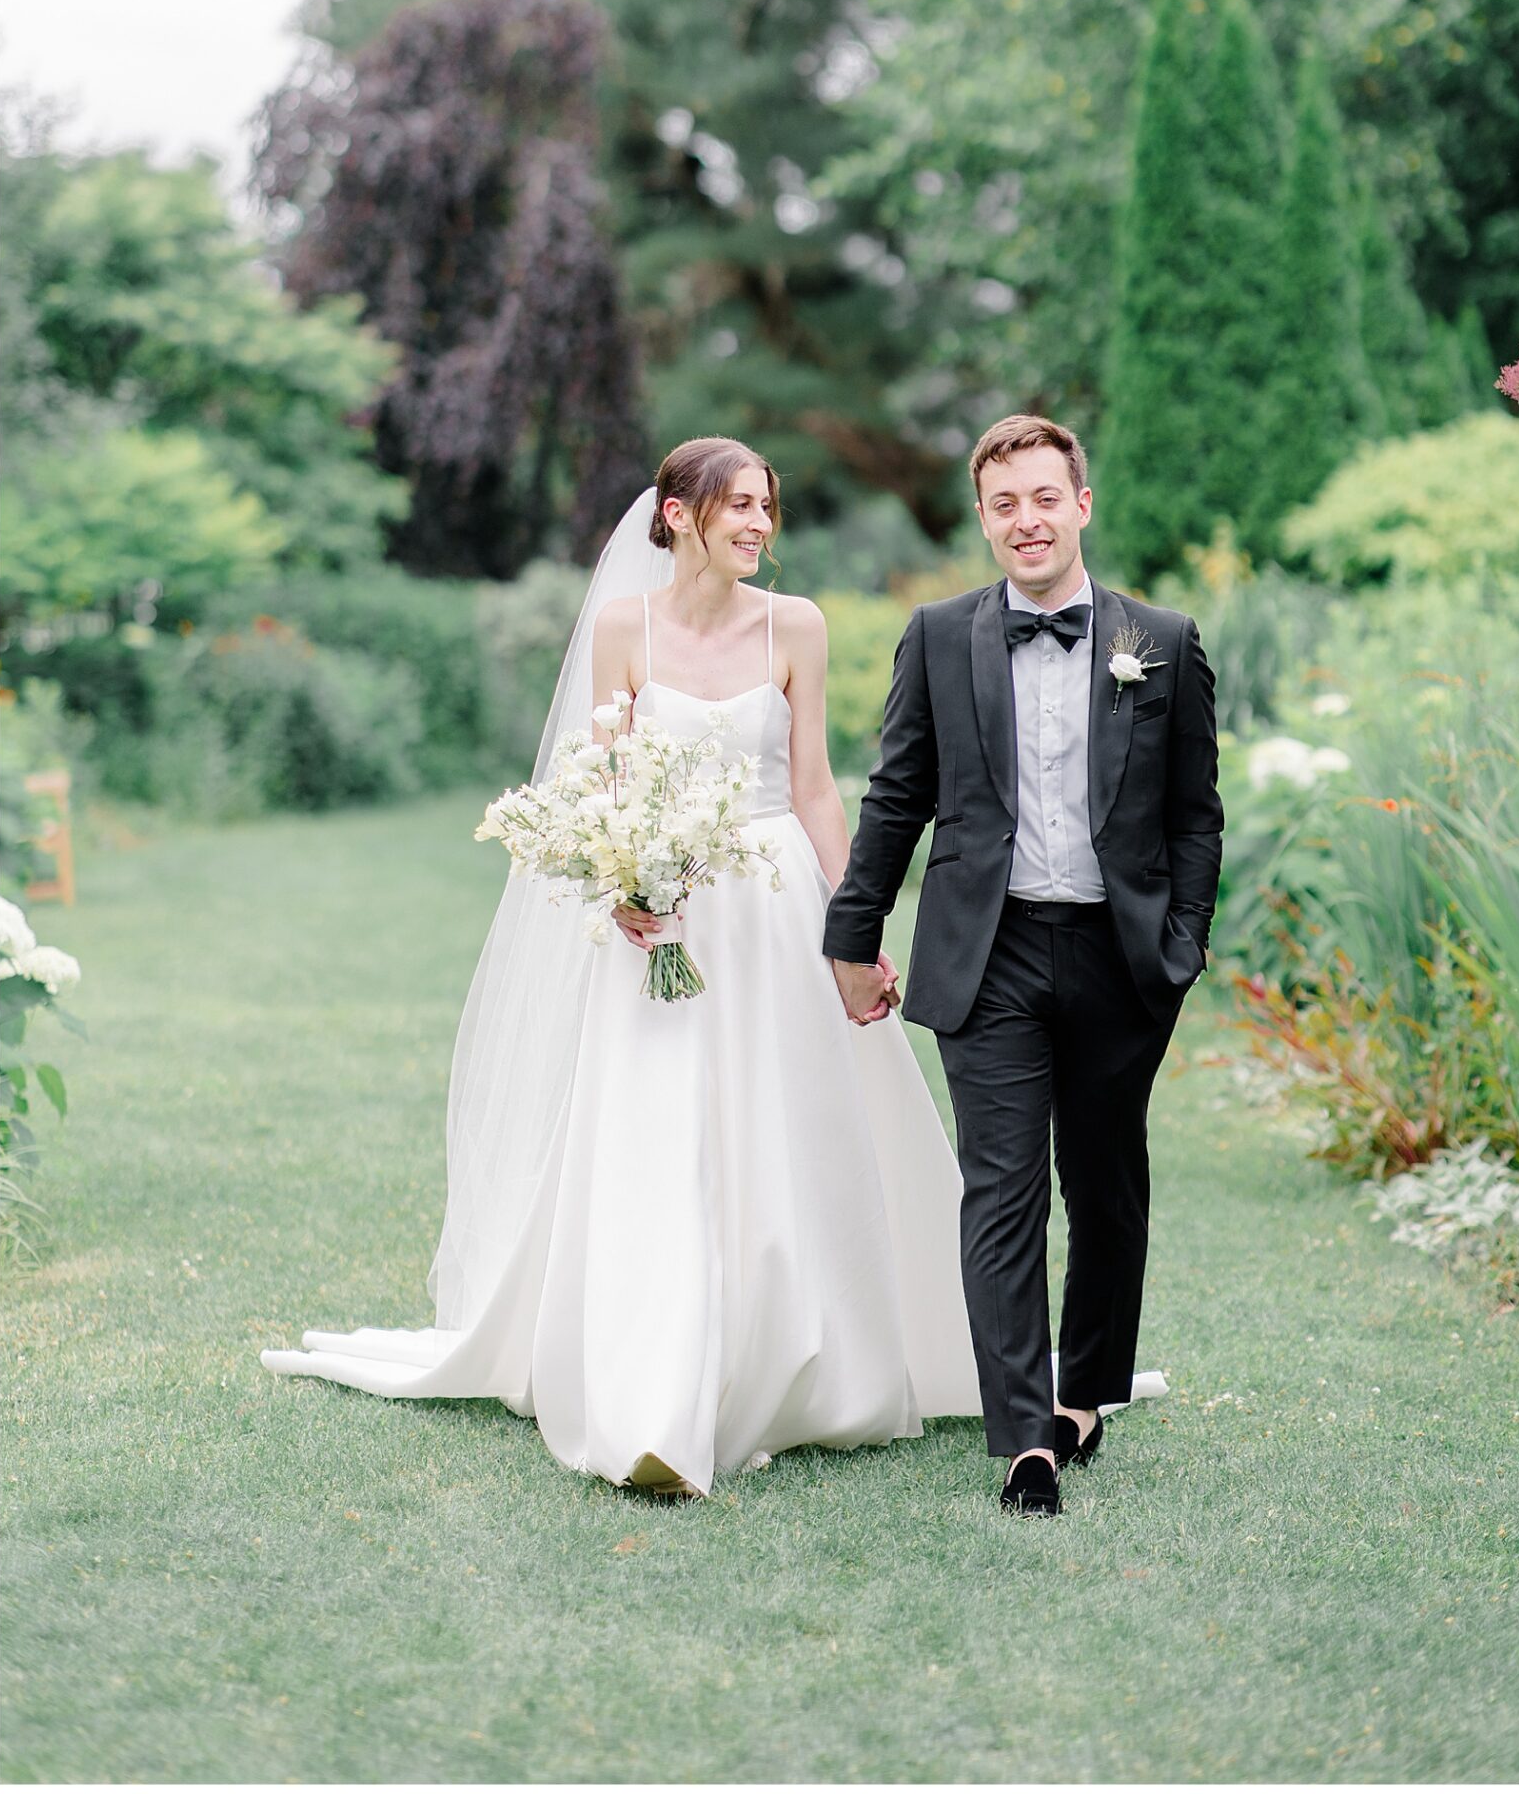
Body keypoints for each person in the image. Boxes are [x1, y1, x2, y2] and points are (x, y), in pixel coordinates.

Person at [261, 438, 980, 1497]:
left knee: (790, 1127)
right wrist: (625, 882)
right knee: (661, 1134)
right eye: (738, 506)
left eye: (767, 510)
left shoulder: (798, 625)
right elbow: (604, 777)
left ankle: (805, 1368)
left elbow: (820, 787)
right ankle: (656, 1396)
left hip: (778, 905)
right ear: (679, 514)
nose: (758, 526)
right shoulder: (623, 627)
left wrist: (855, 925)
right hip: (670, 916)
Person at [823, 414, 1223, 1515]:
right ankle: (1022, 1441)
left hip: (1119, 956)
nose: (1026, 520)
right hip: (985, 954)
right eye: (1004, 504)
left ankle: (1083, 1392)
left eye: (1045, 497)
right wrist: (852, 937)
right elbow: (897, 794)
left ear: (1081, 504)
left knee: (1103, 1185)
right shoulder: (941, 635)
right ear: (985, 519)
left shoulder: (1168, 641)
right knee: (1000, 1189)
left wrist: (1180, 942)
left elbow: (1196, 815)